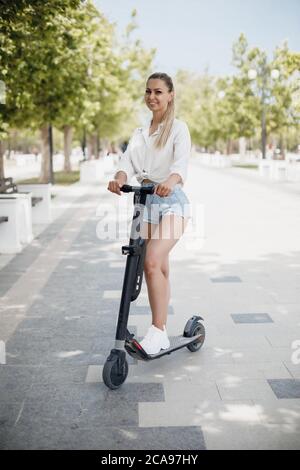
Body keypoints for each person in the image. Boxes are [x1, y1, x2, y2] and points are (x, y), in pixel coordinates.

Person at [107, 72, 191, 355]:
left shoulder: (178, 129)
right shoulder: (140, 134)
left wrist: (171, 180)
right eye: (148, 92)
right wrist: (119, 178)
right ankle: (162, 329)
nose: (152, 97)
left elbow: (180, 165)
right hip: (146, 203)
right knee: (156, 266)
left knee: (152, 261)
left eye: (158, 92)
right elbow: (126, 163)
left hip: (172, 202)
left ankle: (157, 331)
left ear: (170, 95)